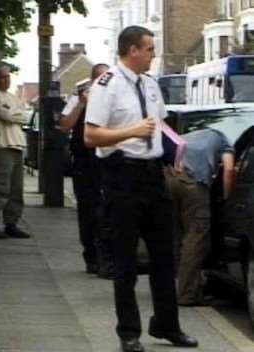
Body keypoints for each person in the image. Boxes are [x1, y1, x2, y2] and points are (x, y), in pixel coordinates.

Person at [84, 26, 198, 352]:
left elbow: (159, 126)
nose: (153, 54)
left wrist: (172, 152)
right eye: (149, 49)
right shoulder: (107, 85)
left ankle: (167, 325)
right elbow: (91, 137)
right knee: (126, 260)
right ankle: (129, 332)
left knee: (165, 256)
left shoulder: (150, 84)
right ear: (132, 50)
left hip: (153, 176)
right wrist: (132, 130)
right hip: (122, 178)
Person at [167, 128, 235, 306]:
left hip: (167, 176)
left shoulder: (195, 135)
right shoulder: (223, 139)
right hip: (192, 182)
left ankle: (171, 286)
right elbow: (228, 168)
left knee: (175, 234)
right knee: (195, 237)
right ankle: (187, 295)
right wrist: (227, 198)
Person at [59, 63, 115, 278]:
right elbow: (64, 125)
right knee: (88, 211)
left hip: (106, 160)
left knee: (107, 211)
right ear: (92, 80)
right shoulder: (79, 97)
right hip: (84, 164)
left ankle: (107, 259)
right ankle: (91, 257)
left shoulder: (113, 97)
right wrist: (82, 105)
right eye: (100, 78)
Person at [0, 65, 30, 239]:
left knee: (16, 188)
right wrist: (16, 114)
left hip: (17, 145)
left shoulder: (13, 97)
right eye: (2, 77)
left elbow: (23, 116)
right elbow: (8, 116)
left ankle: (12, 222)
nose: (5, 80)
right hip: (1, 145)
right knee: (0, 187)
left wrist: (15, 114)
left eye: (7, 77)